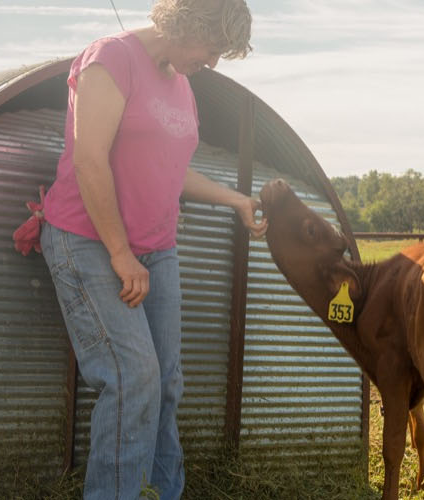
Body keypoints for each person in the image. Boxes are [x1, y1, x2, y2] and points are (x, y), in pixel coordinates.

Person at [23, 1, 263, 498]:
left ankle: (160, 492)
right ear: (188, 24)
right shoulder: (109, 61)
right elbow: (90, 160)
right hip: (89, 242)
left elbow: (172, 169)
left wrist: (235, 198)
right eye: (212, 48)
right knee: (132, 379)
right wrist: (119, 252)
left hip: (157, 250)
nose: (213, 62)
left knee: (166, 384)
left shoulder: (182, 85)